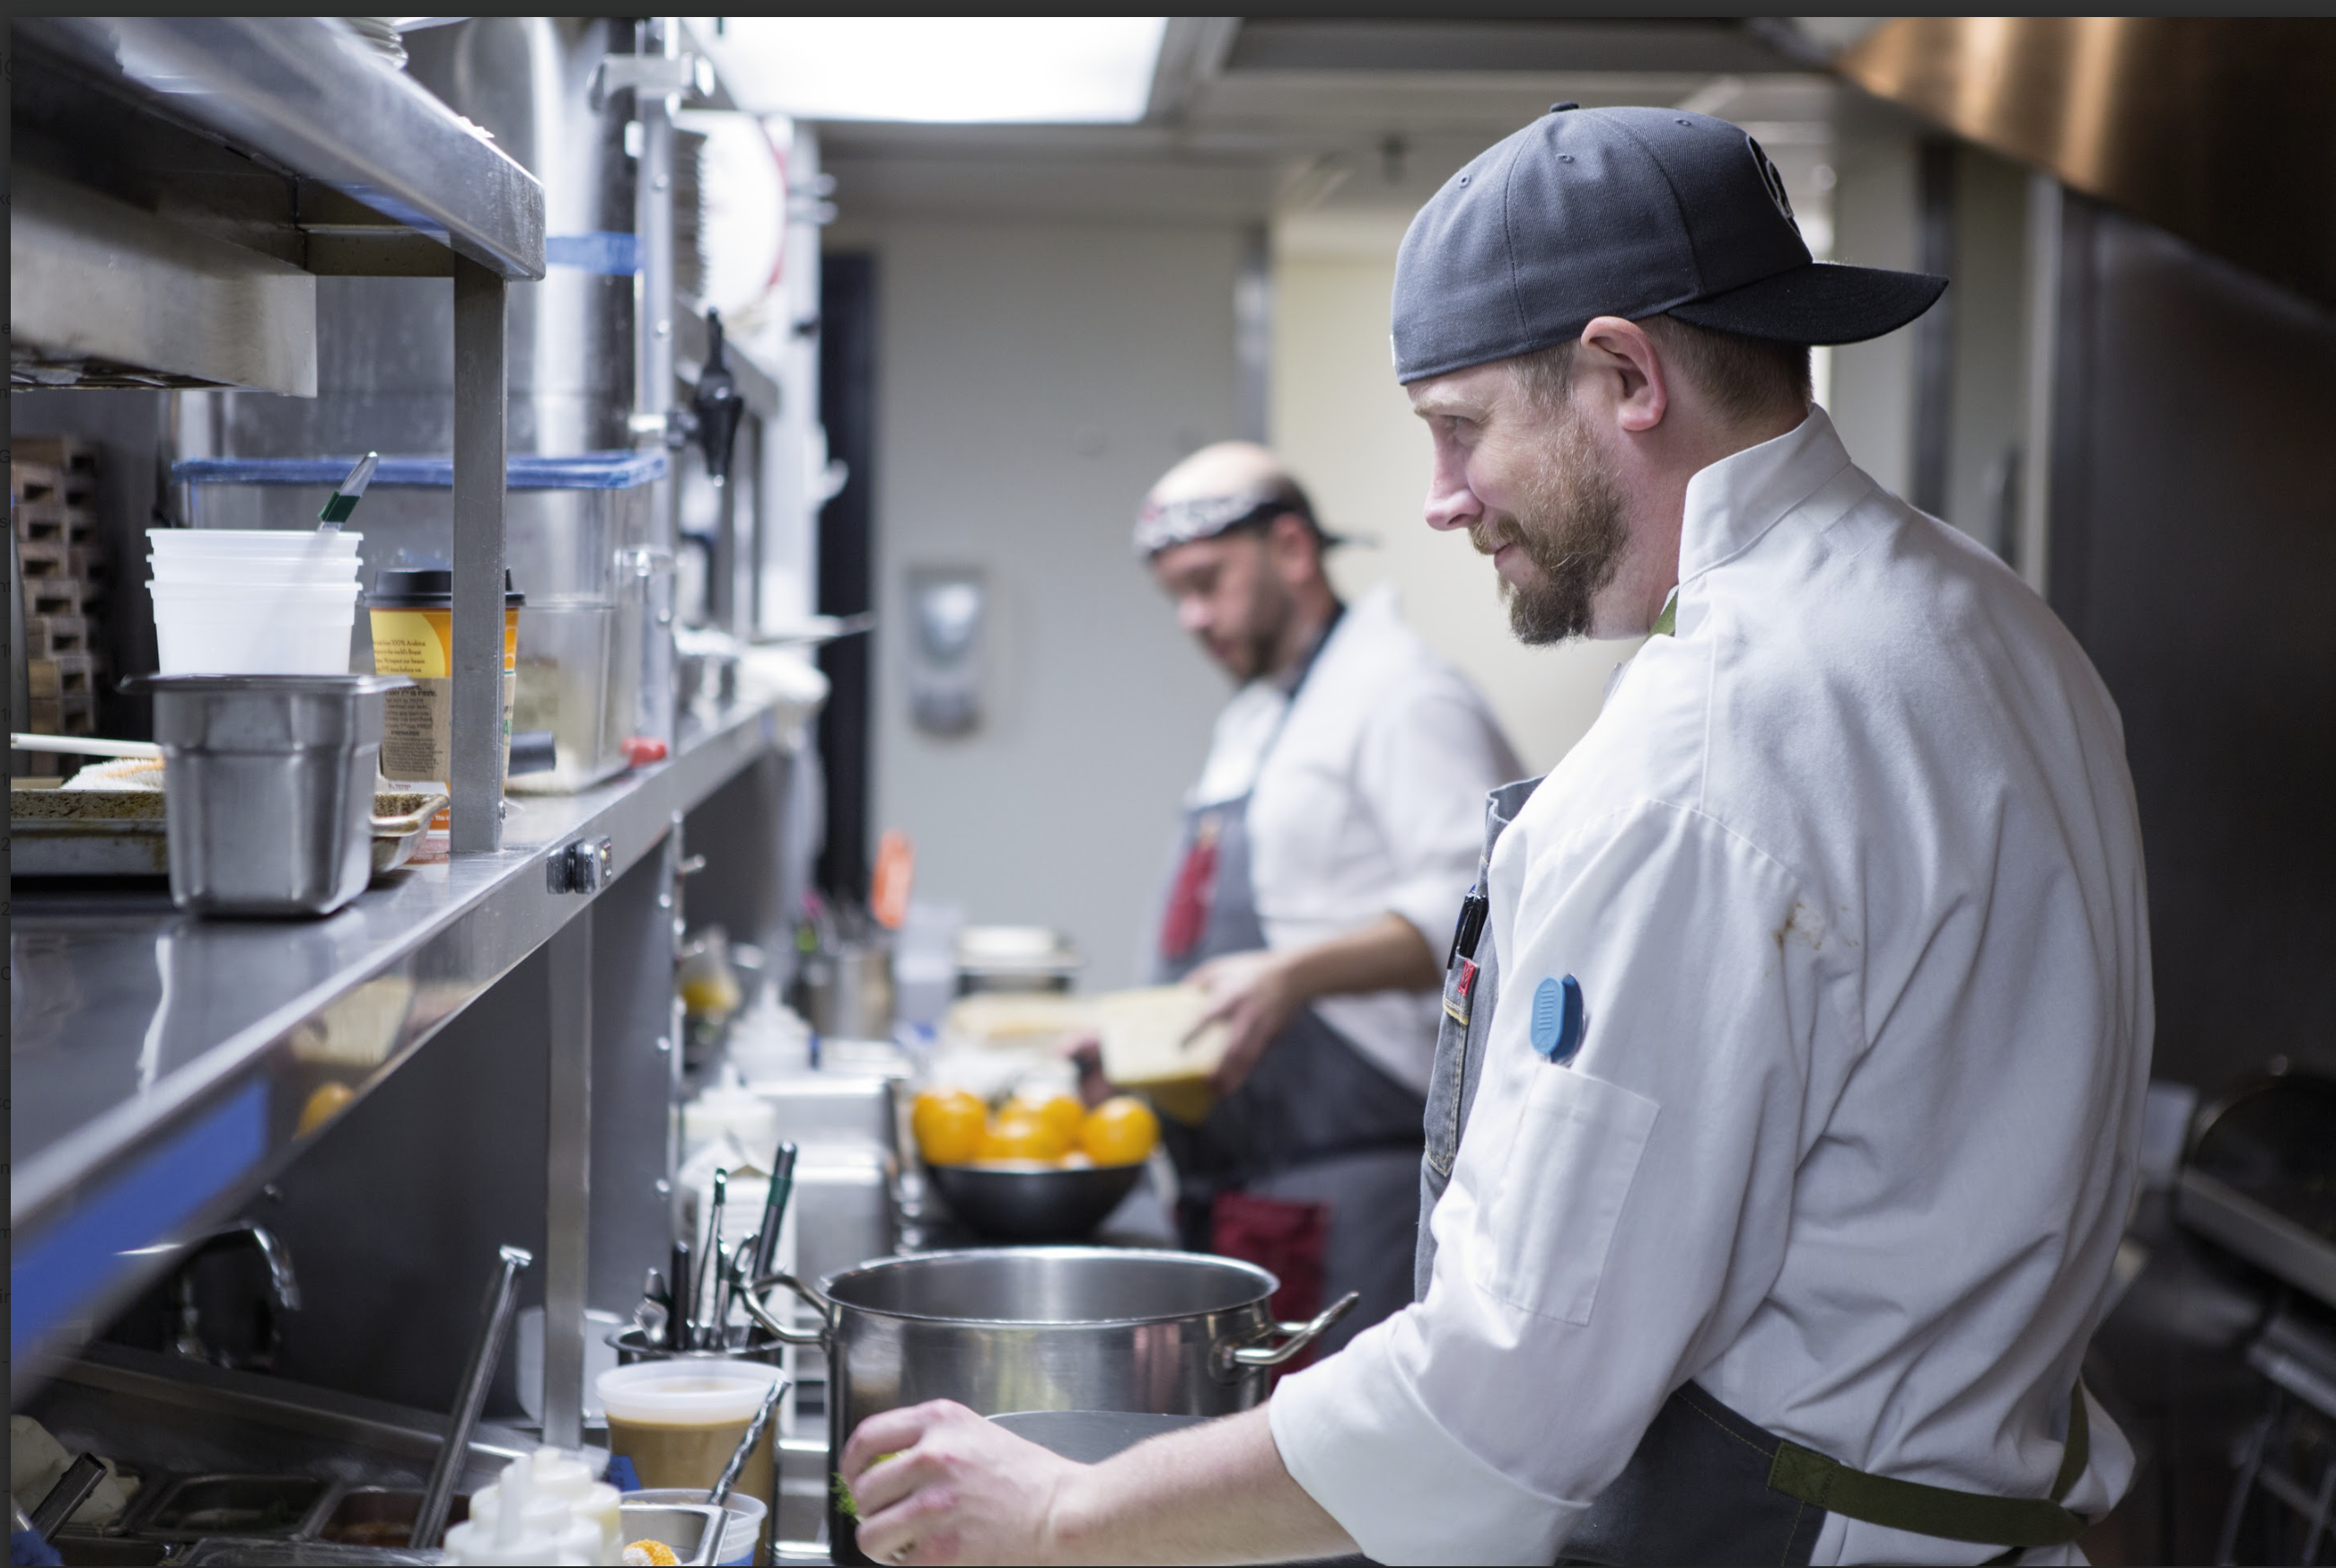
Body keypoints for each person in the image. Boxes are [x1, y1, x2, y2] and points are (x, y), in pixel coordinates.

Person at [840, 106, 2151, 1567]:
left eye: (1458, 426)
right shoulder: (1993, 622)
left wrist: (1063, 1507)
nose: (1439, 497)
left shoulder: (1705, 751)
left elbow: (1503, 1406)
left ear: (1621, 375)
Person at [1092, 439, 1524, 1355]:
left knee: (1329, 1479)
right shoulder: (1257, 717)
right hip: (1245, 1181)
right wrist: (1138, 1043)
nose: (1192, 617)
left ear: (1290, 549)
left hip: (1355, 1182)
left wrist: (1290, 979)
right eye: (1175, 595)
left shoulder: (1401, 695)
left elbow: (1482, 909)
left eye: (1208, 581)